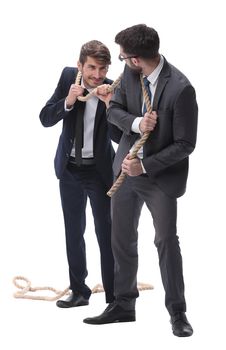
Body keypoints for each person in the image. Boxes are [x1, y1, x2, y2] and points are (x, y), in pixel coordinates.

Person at [83, 25, 198, 337]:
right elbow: (114, 112)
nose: (118, 58)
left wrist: (145, 166)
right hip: (125, 170)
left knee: (165, 242)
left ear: (136, 59)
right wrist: (136, 123)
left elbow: (186, 144)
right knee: (121, 237)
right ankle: (123, 304)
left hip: (159, 177)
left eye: (122, 54)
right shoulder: (130, 74)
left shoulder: (181, 88)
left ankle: (178, 312)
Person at [39, 40, 119, 308]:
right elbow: (45, 118)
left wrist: (110, 105)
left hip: (99, 172)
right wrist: (69, 101)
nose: (97, 75)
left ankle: (114, 297)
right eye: (92, 68)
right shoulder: (67, 78)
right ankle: (79, 291)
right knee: (73, 232)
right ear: (80, 65)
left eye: (102, 68)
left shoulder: (113, 88)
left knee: (106, 234)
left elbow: (120, 135)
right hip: (70, 169)